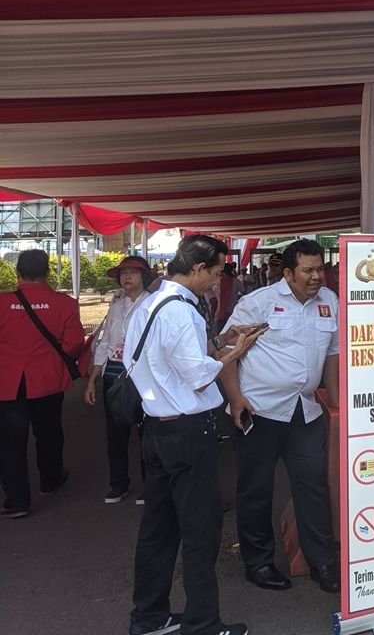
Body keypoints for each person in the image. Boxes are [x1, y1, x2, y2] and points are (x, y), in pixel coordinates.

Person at [127, 235, 262, 635]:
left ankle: (148, 617)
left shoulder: (147, 304)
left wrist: (220, 340)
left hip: (156, 428)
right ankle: (203, 623)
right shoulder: (180, 311)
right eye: (216, 272)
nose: (216, 281)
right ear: (199, 268)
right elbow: (199, 376)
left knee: (158, 529)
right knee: (200, 531)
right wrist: (235, 352)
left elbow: (164, 360)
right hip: (188, 431)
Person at [218, 238, 340, 594]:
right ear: (288, 273)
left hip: (305, 410)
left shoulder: (329, 303)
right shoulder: (259, 303)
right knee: (256, 489)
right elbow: (228, 353)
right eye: (308, 270)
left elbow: (332, 354)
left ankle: (321, 562)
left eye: (320, 268)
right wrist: (235, 398)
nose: (317, 276)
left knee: (313, 486)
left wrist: (334, 400)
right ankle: (258, 562)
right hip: (260, 409)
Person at [0, 249, 85, 519]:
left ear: (18, 273)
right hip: (47, 379)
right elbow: (73, 345)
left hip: (7, 381)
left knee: (10, 441)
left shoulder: (2, 303)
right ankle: (51, 478)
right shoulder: (65, 304)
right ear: (48, 272)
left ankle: (16, 500)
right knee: (48, 431)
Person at [84, 255, 155, 505]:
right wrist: (93, 379)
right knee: (115, 432)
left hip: (143, 376)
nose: (126, 277)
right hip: (114, 375)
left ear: (144, 277)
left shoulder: (154, 303)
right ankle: (118, 484)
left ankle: (151, 486)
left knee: (147, 433)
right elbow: (105, 342)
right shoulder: (116, 303)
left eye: (133, 273)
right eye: (123, 273)